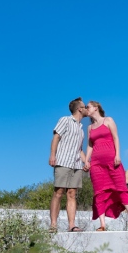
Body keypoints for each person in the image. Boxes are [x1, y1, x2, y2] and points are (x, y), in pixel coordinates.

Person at [84, 101, 128, 231]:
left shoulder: (108, 120)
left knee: (121, 189)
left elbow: (116, 138)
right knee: (99, 192)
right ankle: (102, 225)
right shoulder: (90, 128)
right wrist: (87, 161)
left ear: (95, 107)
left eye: (88, 107)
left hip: (112, 161)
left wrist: (118, 155)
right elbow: (90, 146)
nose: (86, 109)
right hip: (96, 165)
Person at [48, 97, 88, 233]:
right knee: (58, 192)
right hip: (63, 161)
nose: (87, 108)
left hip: (76, 164)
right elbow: (56, 138)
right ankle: (53, 224)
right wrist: (53, 155)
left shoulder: (82, 129)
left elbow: (80, 149)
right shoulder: (65, 120)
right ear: (79, 109)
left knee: (72, 193)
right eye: (85, 106)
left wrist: (86, 161)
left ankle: (72, 225)